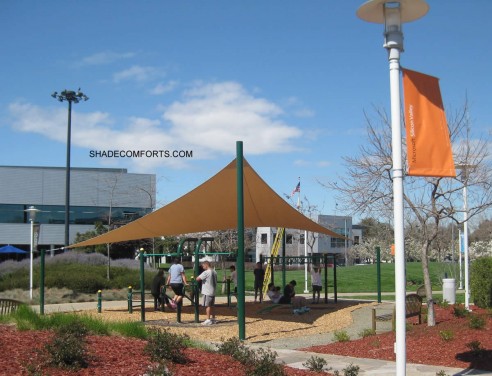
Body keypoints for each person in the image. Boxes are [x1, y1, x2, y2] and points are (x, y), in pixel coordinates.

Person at [196, 260, 218, 325]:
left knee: (207, 306)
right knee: (212, 305)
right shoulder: (214, 271)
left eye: (203, 266)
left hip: (207, 291)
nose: (202, 267)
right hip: (213, 290)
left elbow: (198, 278)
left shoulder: (206, 272)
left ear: (206, 265)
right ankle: (213, 318)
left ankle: (208, 319)